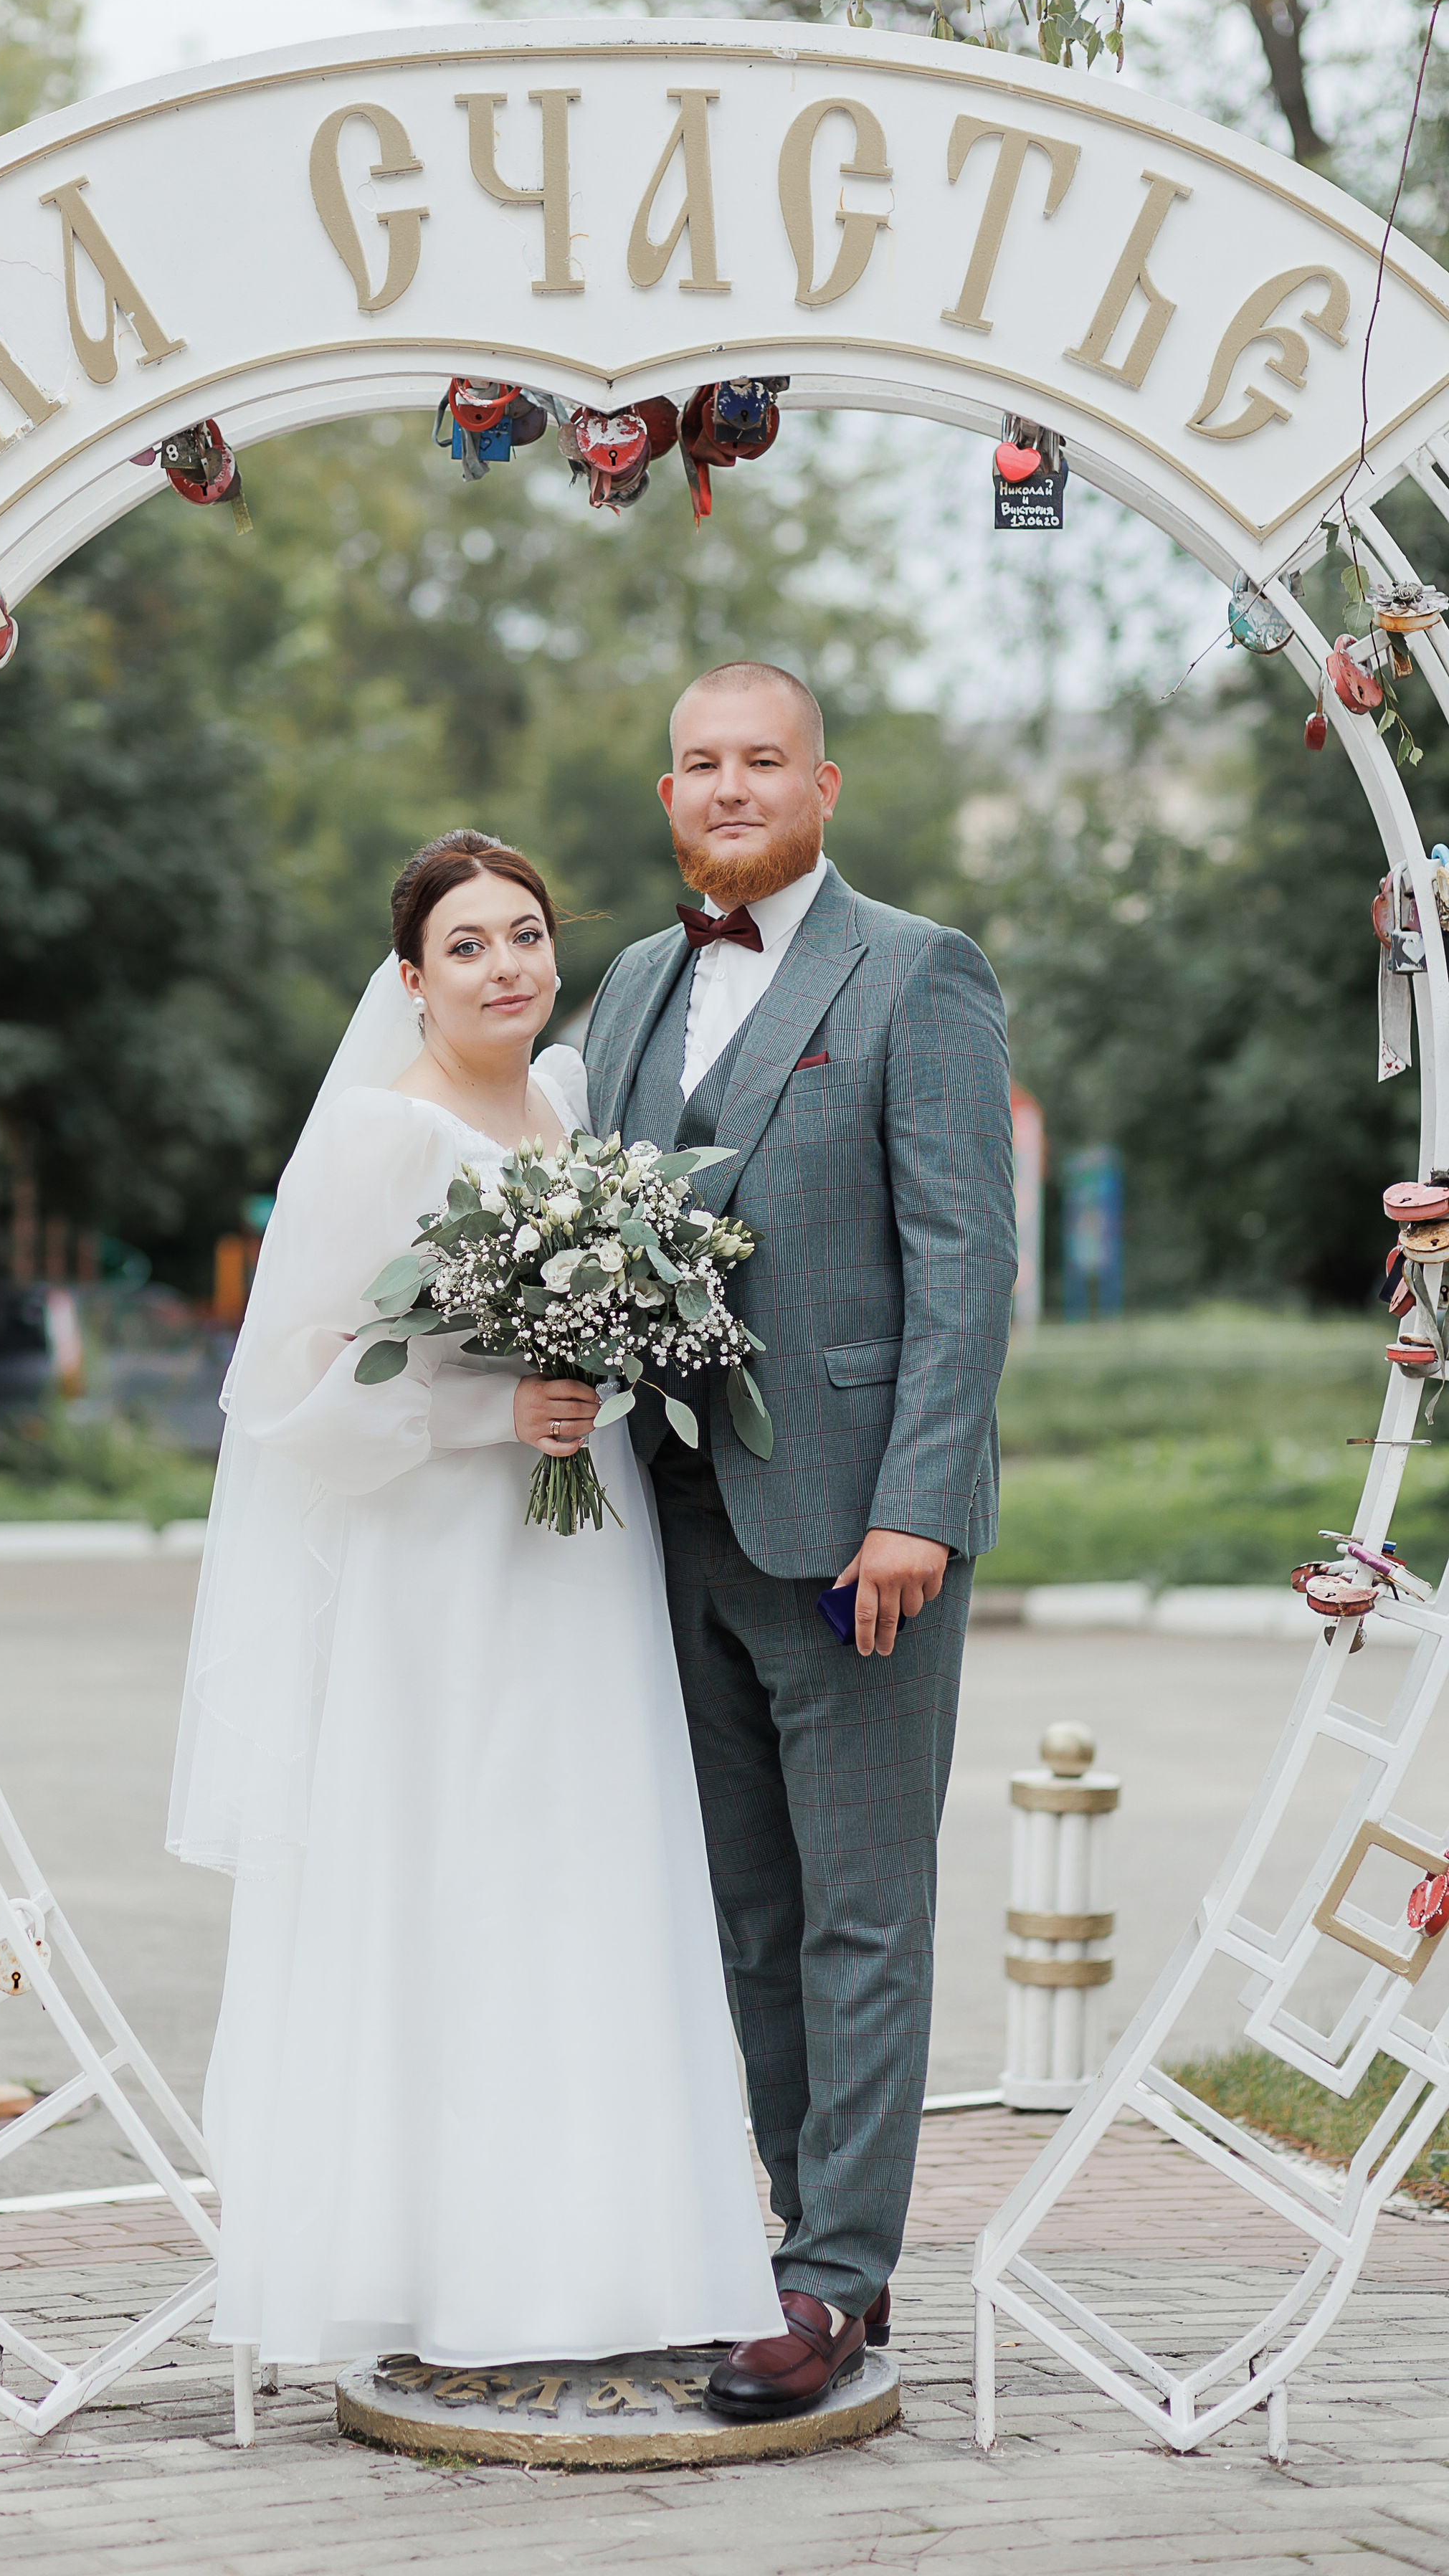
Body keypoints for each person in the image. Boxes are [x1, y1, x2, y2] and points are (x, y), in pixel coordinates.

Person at [168, 829, 783, 2370]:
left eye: (524, 935)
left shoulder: (572, 1100)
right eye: (467, 945)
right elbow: (284, 1385)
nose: (505, 966)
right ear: (410, 977)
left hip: (584, 1547)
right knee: (464, 1874)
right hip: (441, 1563)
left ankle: (611, 2262)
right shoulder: (379, 1135)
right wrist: (481, 1412)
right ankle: (450, 2270)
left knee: (591, 1867)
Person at [584, 661, 1015, 2423]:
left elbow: (966, 1260)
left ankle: (835, 2271)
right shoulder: (628, 981)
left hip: (853, 1533)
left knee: (859, 1914)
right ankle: (795, 2229)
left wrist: (915, 1503)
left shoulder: (917, 970)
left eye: (762, 760)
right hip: (663, 1520)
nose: (729, 787)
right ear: (667, 794)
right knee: (743, 1918)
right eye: (700, 763)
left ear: (821, 787)